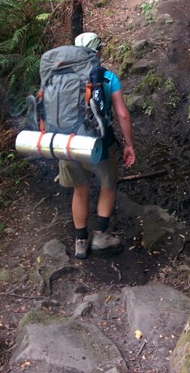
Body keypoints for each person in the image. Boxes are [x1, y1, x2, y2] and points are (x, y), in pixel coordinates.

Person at [59, 32, 136, 259]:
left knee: (80, 189)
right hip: (100, 144)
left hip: (69, 143)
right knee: (108, 184)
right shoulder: (108, 77)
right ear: (98, 52)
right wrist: (129, 145)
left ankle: (80, 241)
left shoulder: (62, 76)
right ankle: (100, 234)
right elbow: (122, 114)